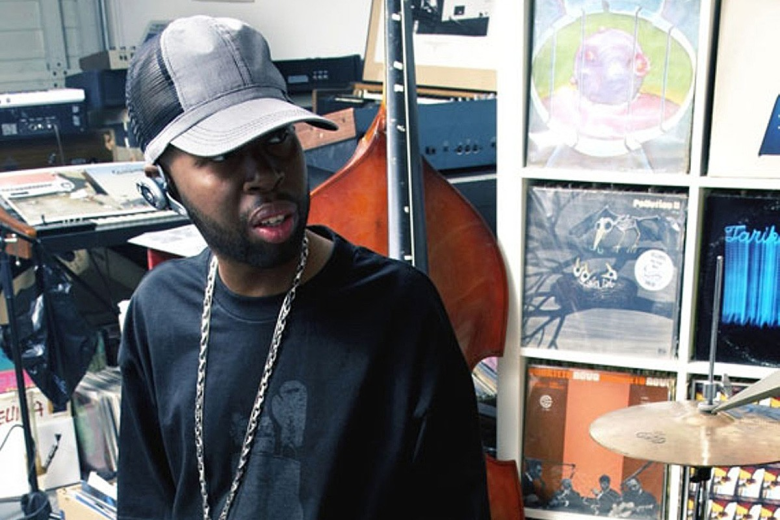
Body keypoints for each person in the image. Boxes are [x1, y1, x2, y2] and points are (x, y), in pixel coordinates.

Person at [117, 14, 490, 520]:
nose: (266, 174)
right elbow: (146, 506)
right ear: (164, 179)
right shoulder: (157, 311)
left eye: (276, 139)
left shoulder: (400, 310)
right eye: (225, 154)